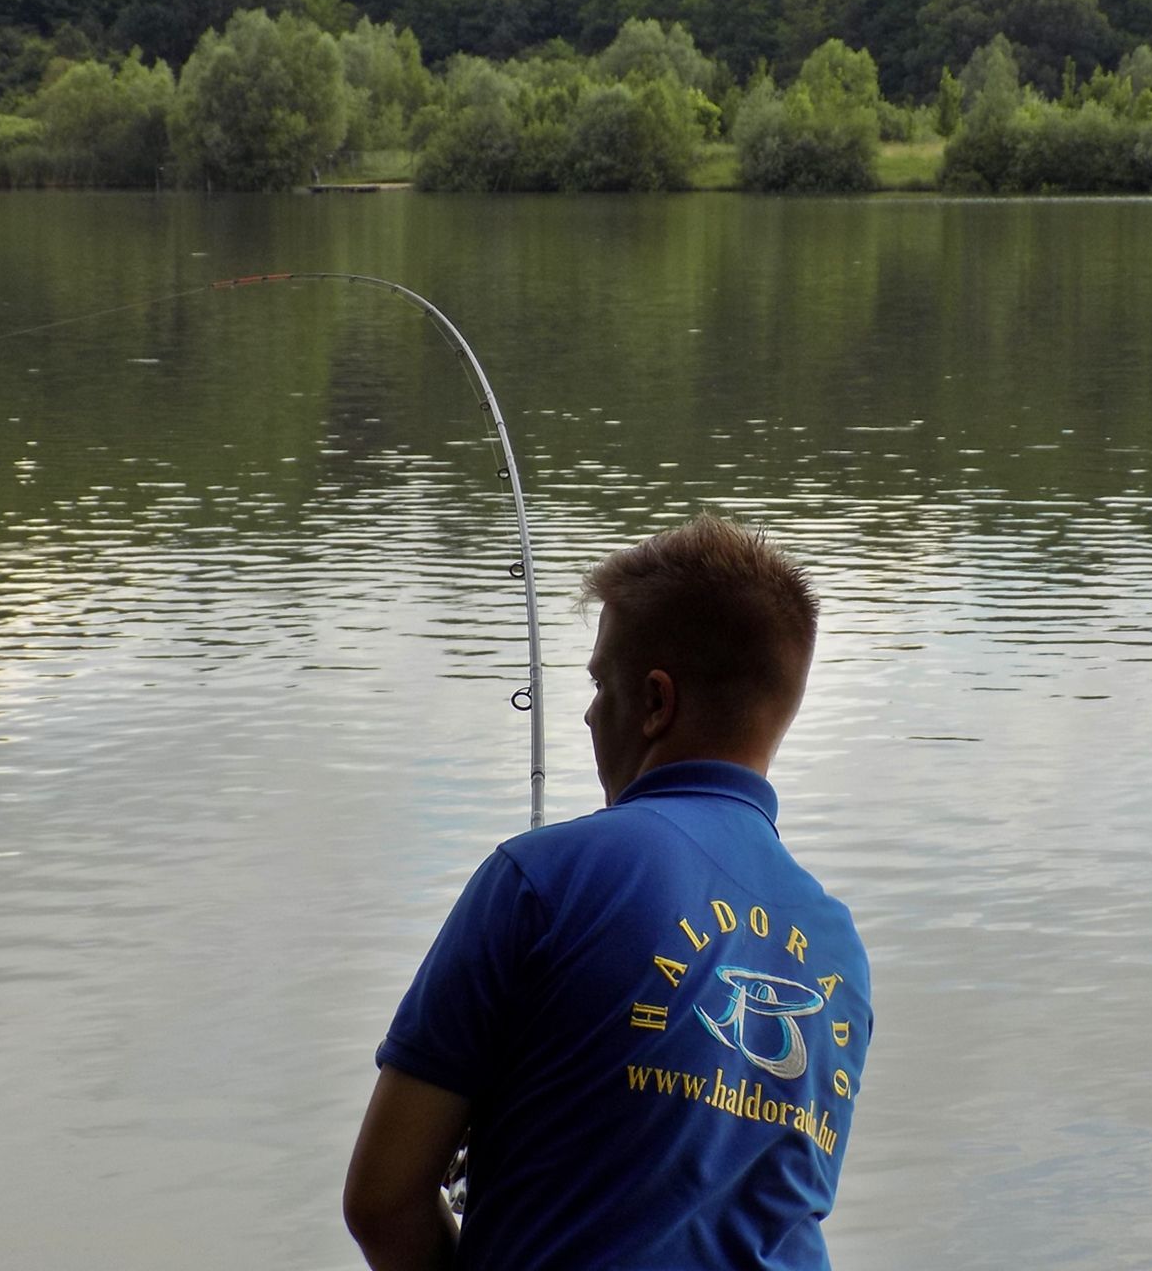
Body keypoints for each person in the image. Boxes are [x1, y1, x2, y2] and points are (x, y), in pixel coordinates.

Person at [344, 514, 873, 1270]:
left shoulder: (541, 877)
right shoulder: (837, 946)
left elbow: (383, 1201)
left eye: (599, 682)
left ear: (655, 702)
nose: (591, 711)